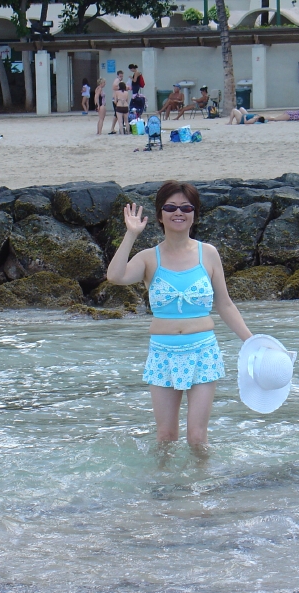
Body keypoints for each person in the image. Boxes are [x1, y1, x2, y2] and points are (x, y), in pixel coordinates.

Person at [106, 181, 253, 446]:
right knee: (166, 436)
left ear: (194, 214)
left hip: (203, 351)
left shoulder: (208, 254)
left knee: (197, 437)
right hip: (162, 352)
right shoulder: (149, 258)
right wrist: (131, 234)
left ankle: (203, 475)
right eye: (170, 207)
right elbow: (115, 277)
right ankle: (163, 475)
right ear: (160, 214)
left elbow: (225, 305)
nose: (178, 212)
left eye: (186, 207)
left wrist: (252, 341)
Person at [108, 70, 124, 135]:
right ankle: (112, 128)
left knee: (117, 114)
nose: (121, 77)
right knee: (117, 114)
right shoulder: (117, 80)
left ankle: (114, 128)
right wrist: (121, 87)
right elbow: (114, 87)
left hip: (118, 99)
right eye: (120, 76)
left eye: (122, 76)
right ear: (118, 75)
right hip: (115, 99)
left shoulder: (120, 81)